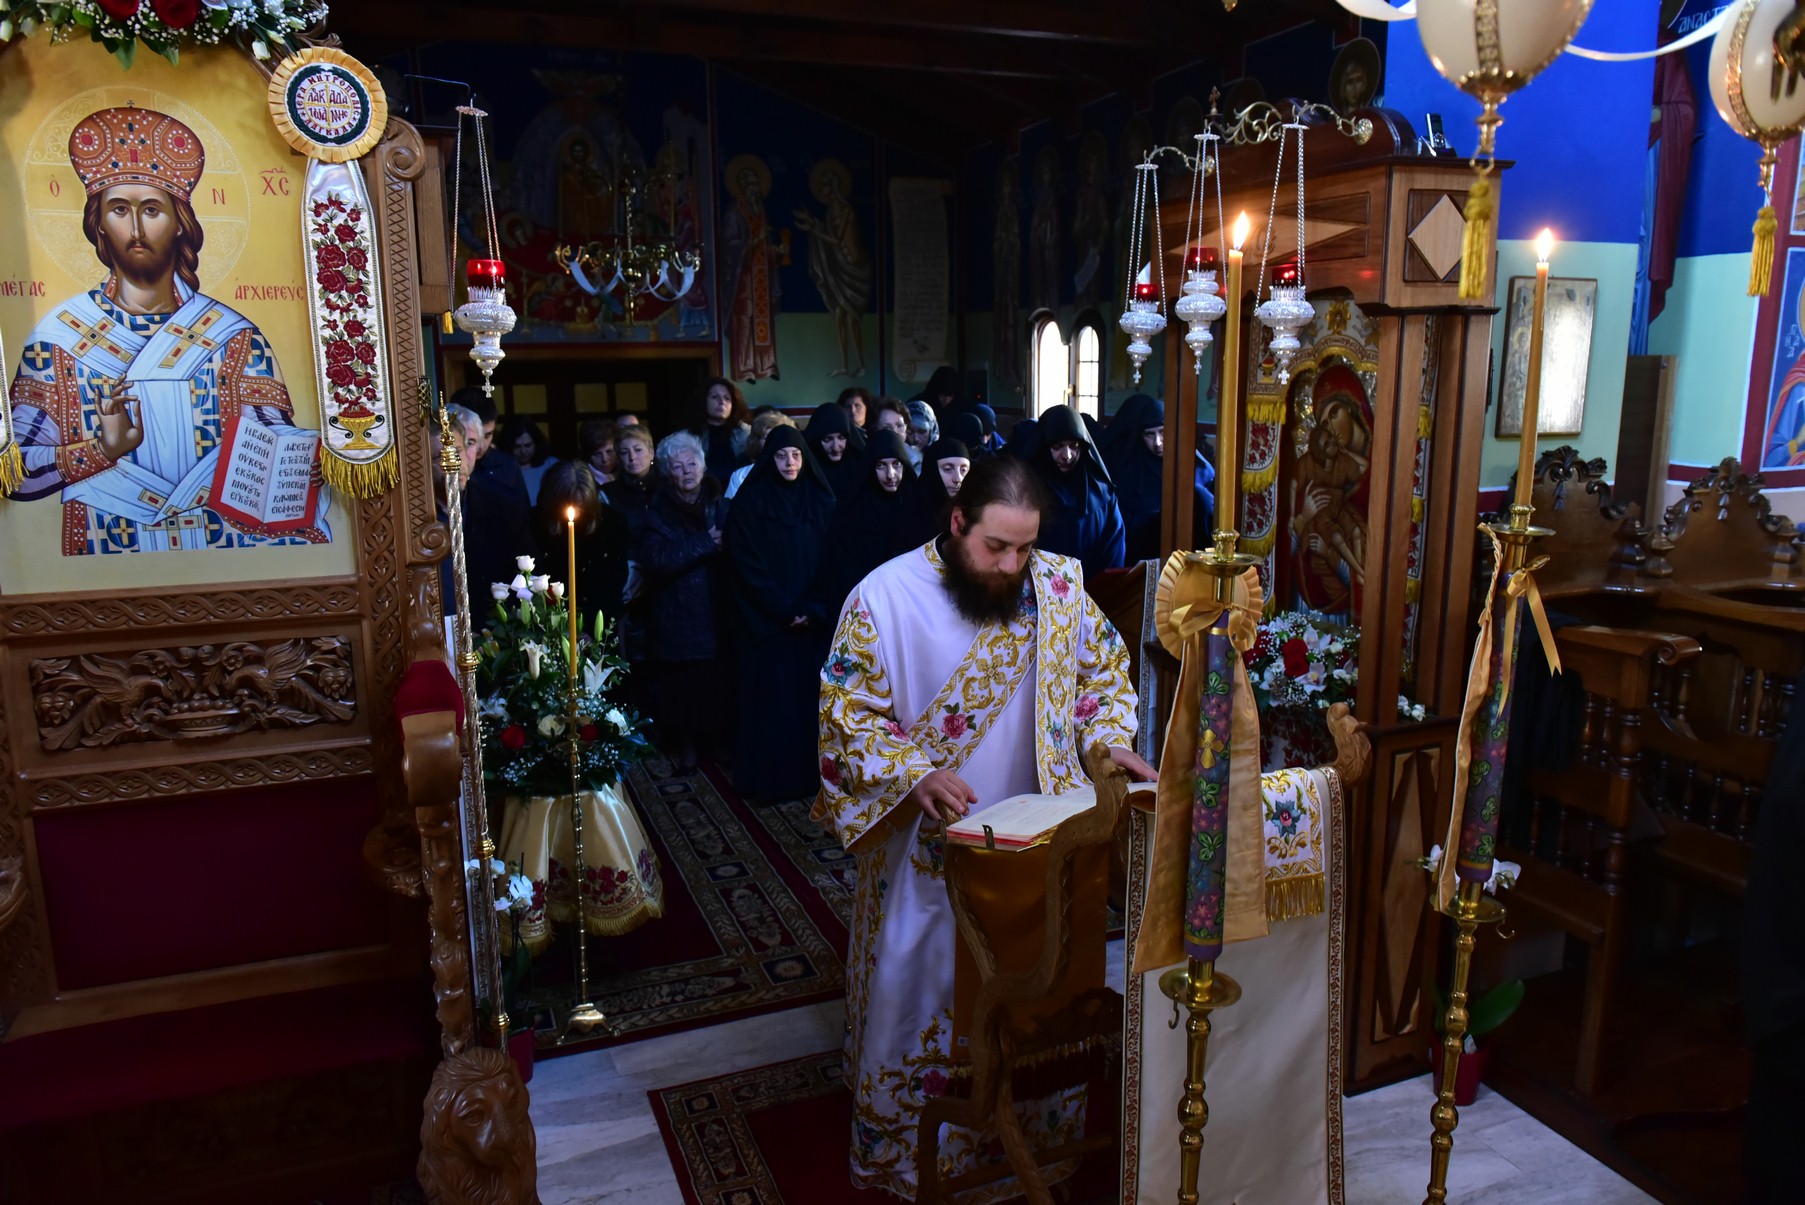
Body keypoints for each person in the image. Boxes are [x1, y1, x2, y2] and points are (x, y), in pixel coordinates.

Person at [816, 453, 1152, 1199]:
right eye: (995, 546)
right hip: (932, 846)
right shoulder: (883, 598)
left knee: (1037, 987)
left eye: (1025, 548)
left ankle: (1035, 1138)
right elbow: (848, 714)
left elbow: (1101, 676)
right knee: (925, 987)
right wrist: (912, 772)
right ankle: (911, 1150)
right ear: (958, 521)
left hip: (1041, 845)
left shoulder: (1058, 589)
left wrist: (1104, 740)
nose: (1010, 566)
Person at [9, 105, 331, 553]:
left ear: (181, 222)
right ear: (98, 223)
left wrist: (307, 463)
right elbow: (14, 470)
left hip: (225, 548)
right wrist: (102, 450)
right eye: (119, 209)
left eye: (152, 210)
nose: (136, 228)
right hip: (108, 548)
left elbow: (270, 441)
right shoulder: (57, 341)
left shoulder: (233, 336)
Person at [725, 427, 836, 800]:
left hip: (812, 623)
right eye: (781, 455)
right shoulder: (749, 503)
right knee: (773, 707)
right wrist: (783, 610)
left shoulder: (822, 500)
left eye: (796, 455)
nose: (789, 463)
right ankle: (773, 783)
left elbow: (835, 559)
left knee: (811, 703)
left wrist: (811, 608)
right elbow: (745, 565)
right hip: (769, 625)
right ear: (768, 459)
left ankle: (815, 780)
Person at [637, 431, 727, 773]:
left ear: (702, 466)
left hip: (718, 606)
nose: (687, 471)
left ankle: (717, 743)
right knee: (683, 688)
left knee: (717, 683)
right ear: (667, 472)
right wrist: (705, 543)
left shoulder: (720, 502)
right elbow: (656, 559)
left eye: (692, 464)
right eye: (678, 466)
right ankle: (687, 747)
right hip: (678, 612)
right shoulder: (658, 511)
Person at [814, 429, 922, 620]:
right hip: (863, 606)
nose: (890, 475)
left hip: (907, 605)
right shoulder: (853, 511)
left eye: (896, 464)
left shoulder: (916, 505)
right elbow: (842, 568)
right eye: (881, 466)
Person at [1030, 404, 1126, 579]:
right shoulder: (1026, 489)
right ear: (1043, 446)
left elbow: (1114, 545)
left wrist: (1102, 587)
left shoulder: (1102, 492)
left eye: (1074, 446)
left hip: (1094, 589)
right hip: (1039, 587)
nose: (1067, 455)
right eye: (1057, 446)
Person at [535, 460, 629, 629]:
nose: (577, 511)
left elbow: (615, 580)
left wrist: (592, 628)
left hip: (599, 621)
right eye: (569, 504)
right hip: (550, 623)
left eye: (582, 504)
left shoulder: (612, 523)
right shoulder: (536, 523)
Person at [1102, 393, 1167, 564]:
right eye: (1149, 435)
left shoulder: (1189, 465)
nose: (1158, 443)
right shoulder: (1129, 470)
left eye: (1163, 432)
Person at [457, 388, 528, 507]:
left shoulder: (508, 466)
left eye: (487, 435)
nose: (481, 445)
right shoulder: (443, 466)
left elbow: (522, 512)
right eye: (472, 439)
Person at [912, 435, 971, 546]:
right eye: (948, 469)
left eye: (963, 470)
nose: (958, 478)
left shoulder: (972, 512)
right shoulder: (911, 513)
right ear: (932, 470)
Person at [694, 377, 752, 487]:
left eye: (727, 398)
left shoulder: (746, 434)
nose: (722, 402)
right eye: (714, 397)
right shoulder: (692, 435)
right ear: (704, 401)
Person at [726, 409, 796, 499]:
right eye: (767, 438)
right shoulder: (741, 475)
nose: (774, 442)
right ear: (756, 442)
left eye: (779, 437)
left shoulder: (797, 470)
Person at [803, 401, 863, 501]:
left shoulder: (860, 467)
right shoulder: (804, 469)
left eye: (841, 438)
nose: (835, 447)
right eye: (827, 439)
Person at [502, 416, 558, 505]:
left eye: (527, 445)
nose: (523, 451)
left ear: (536, 443)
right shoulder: (501, 469)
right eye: (517, 447)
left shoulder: (551, 465)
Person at [579, 419, 617, 489]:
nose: (604, 459)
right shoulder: (582, 483)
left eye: (609, 451)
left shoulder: (626, 474)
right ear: (588, 455)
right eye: (597, 454)